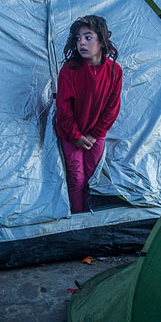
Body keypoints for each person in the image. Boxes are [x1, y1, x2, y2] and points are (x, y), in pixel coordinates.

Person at [56, 15, 122, 214]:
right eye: (77, 38)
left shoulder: (114, 71)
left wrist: (94, 134)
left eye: (88, 37)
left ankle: (92, 215)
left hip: (96, 136)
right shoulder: (70, 70)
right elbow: (63, 108)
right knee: (76, 177)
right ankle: (79, 217)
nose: (81, 43)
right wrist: (75, 136)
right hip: (71, 135)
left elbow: (113, 107)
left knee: (93, 176)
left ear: (101, 41)